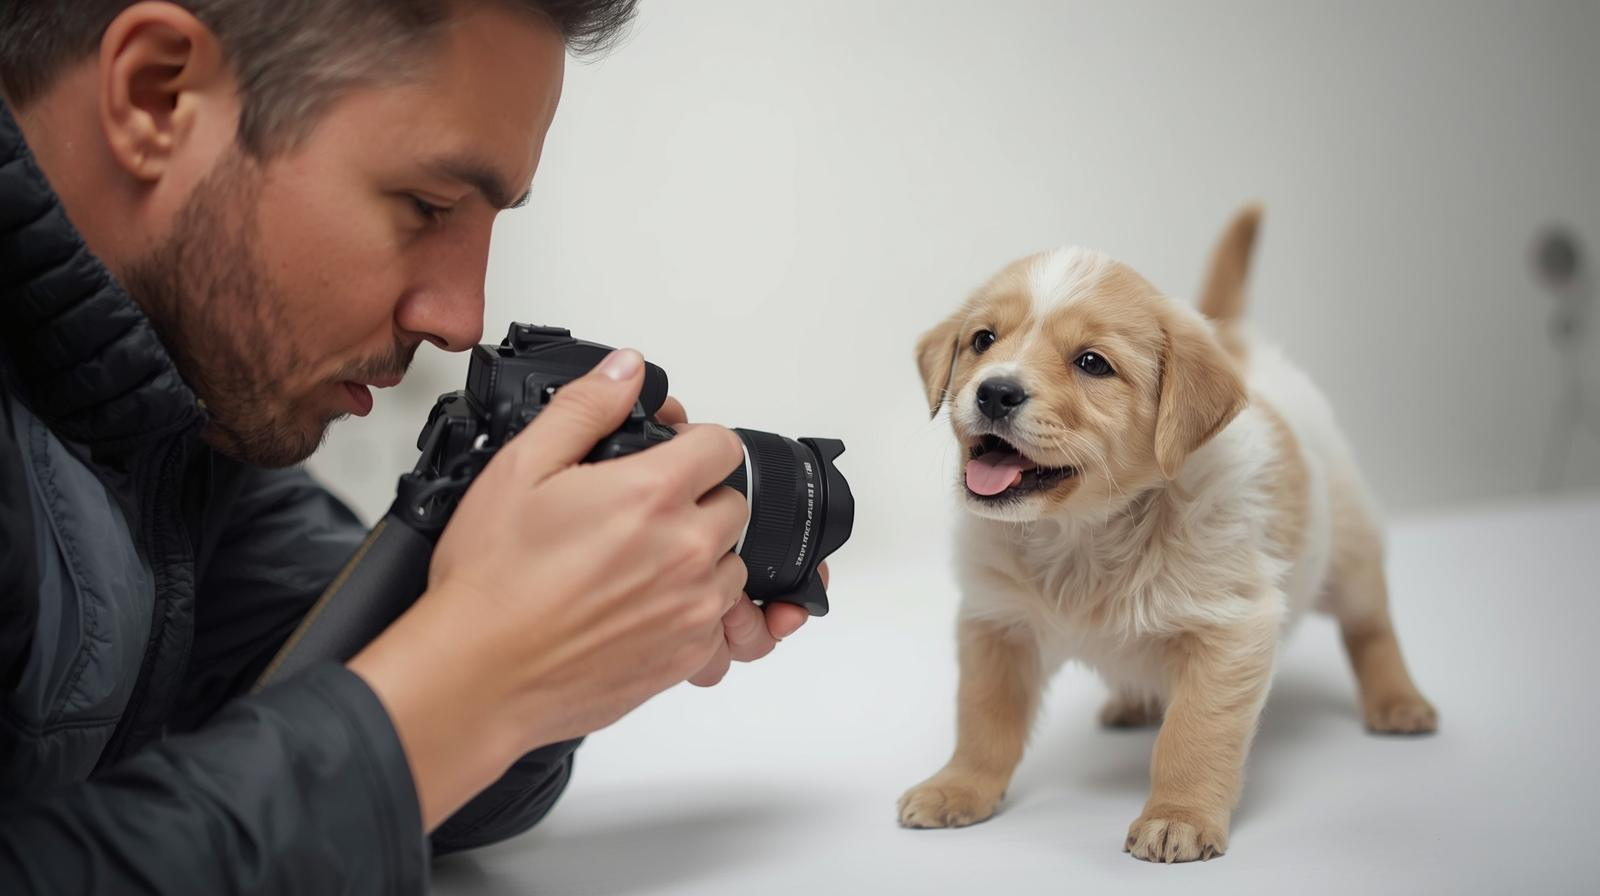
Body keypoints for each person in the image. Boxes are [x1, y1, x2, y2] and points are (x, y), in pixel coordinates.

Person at [0, 1, 816, 891]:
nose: (461, 320)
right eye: (427, 207)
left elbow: (296, 734)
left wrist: (560, 630)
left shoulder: (175, 409)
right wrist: (483, 683)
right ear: (156, 95)